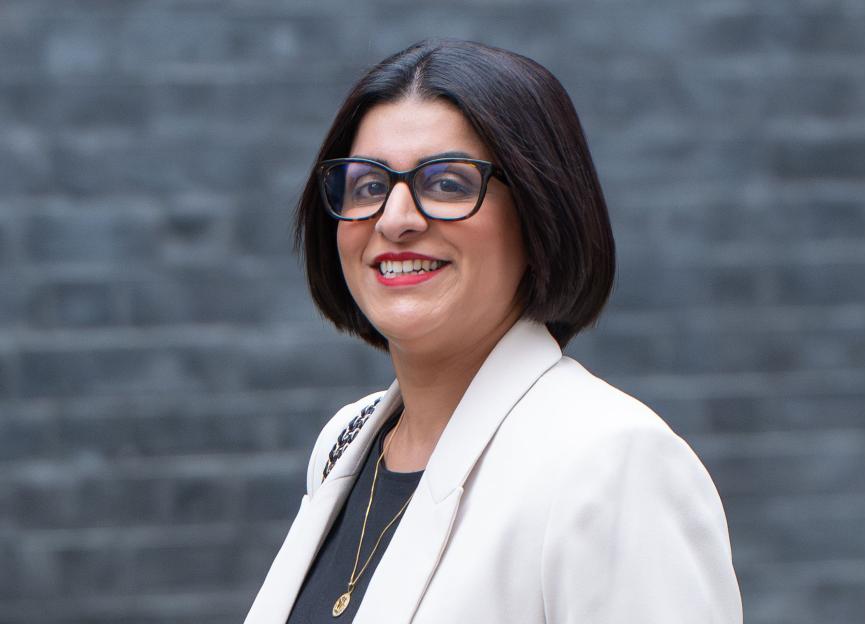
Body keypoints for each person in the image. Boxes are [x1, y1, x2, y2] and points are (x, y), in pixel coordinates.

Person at [245, 38, 743, 624]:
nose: (395, 220)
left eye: (447, 184)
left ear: (538, 215)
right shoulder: (345, 443)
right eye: (370, 186)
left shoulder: (610, 463)